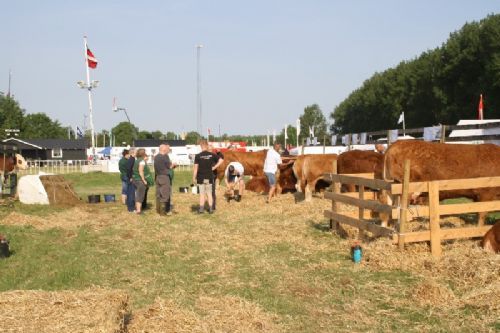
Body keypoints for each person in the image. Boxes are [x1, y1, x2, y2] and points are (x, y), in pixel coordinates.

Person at [192, 140, 219, 214]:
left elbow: (195, 168)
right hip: (209, 176)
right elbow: (221, 159)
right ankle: (210, 209)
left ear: (201, 146)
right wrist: (215, 167)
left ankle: (201, 209)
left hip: (201, 177)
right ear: (207, 145)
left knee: (202, 194)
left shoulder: (198, 156)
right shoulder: (211, 155)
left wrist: (193, 178)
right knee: (209, 194)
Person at [154, 144, 176, 216]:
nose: (168, 149)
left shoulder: (156, 157)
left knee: (158, 194)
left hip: (158, 176)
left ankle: (158, 210)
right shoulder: (164, 157)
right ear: (163, 149)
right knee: (165, 194)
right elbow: (169, 167)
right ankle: (163, 212)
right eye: (167, 148)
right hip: (164, 177)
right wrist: (174, 165)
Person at [132, 148, 154, 214]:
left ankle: (137, 209)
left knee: (137, 195)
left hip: (135, 179)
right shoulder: (141, 161)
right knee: (140, 195)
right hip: (139, 180)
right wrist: (144, 180)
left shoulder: (137, 160)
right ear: (143, 154)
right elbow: (141, 171)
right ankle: (138, 210)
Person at [208, 146, 224, 211]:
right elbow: (221, 158)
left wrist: (214, 167)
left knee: (210, 191)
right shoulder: (214, 155)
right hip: (212, 174)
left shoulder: (211, 155)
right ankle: (212, 205)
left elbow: (221, 159)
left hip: (210, 174)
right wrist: (219, 152)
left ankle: (212, 206)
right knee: (212, 191)